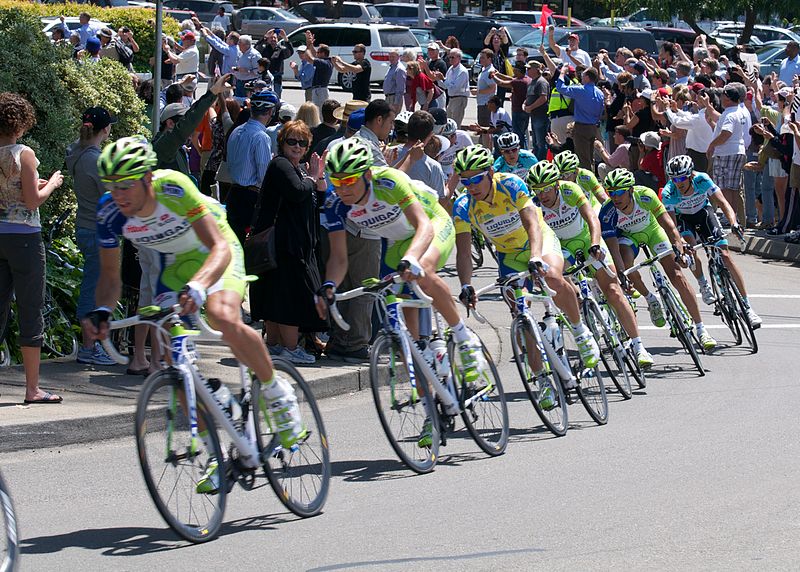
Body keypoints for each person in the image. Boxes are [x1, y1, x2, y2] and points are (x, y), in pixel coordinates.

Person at [89, 136, 306, 491]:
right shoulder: (109, 212)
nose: (119, 196)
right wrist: (100, 311)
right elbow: (110, 277)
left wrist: (202, 287)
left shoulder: (172, 189)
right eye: (112, 188)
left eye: (126, 186)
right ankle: (215, 453)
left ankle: (276, 391)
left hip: (215, 251)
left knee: (222, 315)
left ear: (147, 178)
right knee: (176, 365)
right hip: (174, 267)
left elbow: (218, 247)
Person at [317, 139, 486, 447]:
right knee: (415, 347)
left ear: (367, 175)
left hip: (431, 224)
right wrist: (328, 287)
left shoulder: (388, 181)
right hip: (398, 245)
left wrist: (413, 260)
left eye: (349, 181)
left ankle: (462, 336)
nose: (342, 188)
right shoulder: (334, 204)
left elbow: (423, 226)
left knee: (423, 271)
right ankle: (431, 412)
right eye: (336, 182)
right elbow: (339, 259)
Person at [451, 145, 601, 394]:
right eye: (465, 182)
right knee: (522, 318)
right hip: (508, 256)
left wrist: (535, 256)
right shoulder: (463, 205)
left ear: (490, 172)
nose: (472, 186)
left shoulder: (510, 184)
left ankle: (580, 331)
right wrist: (466, 284)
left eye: (476, 179)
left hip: (537, 241)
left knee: (552, 277)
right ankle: (542, 379)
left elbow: (532, 224)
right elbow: (464, 251)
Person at [526, 161, 654, 367]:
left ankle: (639, 347)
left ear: (557, 185)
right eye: (538, 190)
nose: (542, 195)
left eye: (547, 188)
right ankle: (584, 319)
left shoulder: (571, 190)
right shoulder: (535, 205)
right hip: (562, 248)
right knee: (557, 281)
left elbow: (593, 218)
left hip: (587, 241)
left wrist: (596, 244)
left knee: (613, 291)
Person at [598, 168, 717, 350]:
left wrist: (678, 245)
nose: (615, 197)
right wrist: (621, 273)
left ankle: (701, 329)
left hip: (653, 231)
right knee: (626, 261)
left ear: (631, 190)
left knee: (677, 275)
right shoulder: (607, 212)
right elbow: (613, 247)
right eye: (611, 192)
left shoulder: (645, 195)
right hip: (629, 238)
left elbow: (668, 224)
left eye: (620, 192)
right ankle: (650, 298)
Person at [0, 92, 64, 404]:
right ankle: (32, 389)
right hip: (24, 238)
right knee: (29, 308)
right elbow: (31, 201)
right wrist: (51, 182)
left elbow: (12, 192)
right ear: (20, 123)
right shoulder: (23, 154)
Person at [250, 121, 328, 364]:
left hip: (292, 246)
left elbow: (313, 199)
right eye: (291, 141)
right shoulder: (281, 164)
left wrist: (319, 180)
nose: (296, 146)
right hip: (284, 246)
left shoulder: (298, 168)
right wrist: (313, 177)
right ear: (282, 142)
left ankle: (273, 345)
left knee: (276, 297)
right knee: (289, 299)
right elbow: (297, 192)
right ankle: (290, 348)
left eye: (302, 142)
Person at [663, 155, 762, 326]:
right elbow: (671, 224)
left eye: (681, 178)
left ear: (690, 175)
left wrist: (734, 223)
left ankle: (747, 307)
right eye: (674, 178)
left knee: (725, 256)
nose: (678, 182)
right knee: (690, 249)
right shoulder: (669, 192)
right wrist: (681, 243)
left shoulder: (702, 179)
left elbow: (723, 203)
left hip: (704, 214)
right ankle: (703, 283)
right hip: (684, 219)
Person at [66, 107, 118, 366]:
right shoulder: (96, 160)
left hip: (84, 225)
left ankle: (91, 345)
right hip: (98, 230)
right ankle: (88, 348)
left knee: (94, 285)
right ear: (106, 130)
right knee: (94, 289)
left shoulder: (75, 151)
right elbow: (111, 195)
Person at [226, 90, 279, 245]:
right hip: (250, 199)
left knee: (234, 245)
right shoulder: (261, 137)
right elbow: (264, 177)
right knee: (250, 248)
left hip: (233, 194)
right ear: (270, 112)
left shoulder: (236, 130)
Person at [706, 83, 750, 227]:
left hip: (726, 153)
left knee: (724, 187)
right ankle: (733, 217)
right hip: (737, 151)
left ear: (728, 99)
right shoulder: (739, 111)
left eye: (723, 97)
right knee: (732, 187)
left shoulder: (730, 114)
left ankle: (728, 216)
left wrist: (712, 144)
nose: (721, 99)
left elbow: (726, 133)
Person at [556, 65, 604, 170]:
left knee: (582, 158)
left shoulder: (581, 90)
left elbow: (560, 88)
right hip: (593, 127)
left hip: (582, 127)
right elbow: (601, 110)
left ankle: (587, 182)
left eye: (583, 75)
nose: (581, 77)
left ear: (587, 77)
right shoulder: (600, 93)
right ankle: (591, 178)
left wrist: (562, 73)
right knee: (590, 157)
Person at [492, 61, 531, 149]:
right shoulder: (526, 79)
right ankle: (525, 150)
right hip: (525, 111)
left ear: (519, 71)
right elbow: (509, 78)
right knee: (522, 134)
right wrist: (498, 74)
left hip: (518, 112)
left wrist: (493, 76)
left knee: (518, 135)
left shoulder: (518, 82)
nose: (513, 70)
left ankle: (521, 152)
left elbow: (501, 83)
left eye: (514, 69)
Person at [524, 60, 551, 162]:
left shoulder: (541, 81)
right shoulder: (532, 82)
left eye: (529, 68)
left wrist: (531, 107)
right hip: (534, 116)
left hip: (541, 116)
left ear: (536, 69)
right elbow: (529, 96)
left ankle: (541, 162)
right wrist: (525, 104)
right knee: (535, 142)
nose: (527, 70)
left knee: (541, 143)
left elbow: (543, 98)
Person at [255, 29, 293, 98]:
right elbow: (256, 48)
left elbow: (290, 52)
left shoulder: (281, 49)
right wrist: (265, 37)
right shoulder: (264, 49)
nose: (273, 39)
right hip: (265, 78)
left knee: (276, 97)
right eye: (271, 37)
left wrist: (285, 38)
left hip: (277, 78)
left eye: (274, 37)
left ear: (277, 39)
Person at [301, 31, 333, 108]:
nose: (316, 54)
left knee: (319, 112)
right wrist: (310, 43)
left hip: (320, 90)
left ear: (323, 53)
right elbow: (314, 53)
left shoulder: (324, 63)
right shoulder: (326, 61)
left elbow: (309, 58)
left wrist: (308, 46)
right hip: (319, 90)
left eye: (318, 52)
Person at [473, 49, 497, 147]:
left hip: (486, 104)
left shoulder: (490, 71)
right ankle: (483, 147)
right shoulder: (484, 70)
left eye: (483, 57)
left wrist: (478, 91)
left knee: (485, 129)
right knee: (482, 129)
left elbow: (492, 88)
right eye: (480, 57)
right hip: (482, 103)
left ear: (489, 59)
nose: (480, 60)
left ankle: (487, 149)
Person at [483, 27, 510, 102]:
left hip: (501, 79)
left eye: (498, 38)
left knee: (500, 101)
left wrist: (503, 33)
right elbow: (485, 43)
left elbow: (506, 42)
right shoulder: (489, 51)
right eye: (494, 38)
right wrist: (491, 33)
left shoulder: (502, 51)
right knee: (490, 101)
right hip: (489, 79)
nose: (496, 40)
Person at [444, 49, 470, 128]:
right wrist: (439, 79)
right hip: (451, 99)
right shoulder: (450, 69)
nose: (450, 59)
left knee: (455, 125)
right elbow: (445, 86)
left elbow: (455, 88)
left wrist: (443, 80)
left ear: (459, 58)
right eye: (449, 57)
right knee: (448, 124)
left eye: (452, 57)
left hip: (459, 98)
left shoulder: (462, 71)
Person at [383, 50, 406, 115]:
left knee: (392, 119)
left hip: (394, 98)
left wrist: (396, 103)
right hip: (388, 97)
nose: (391, 58)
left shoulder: (399, 69)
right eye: (390, 56)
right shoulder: (391, 67)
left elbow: (400, 88)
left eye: (393, 56)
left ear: (398, 57)